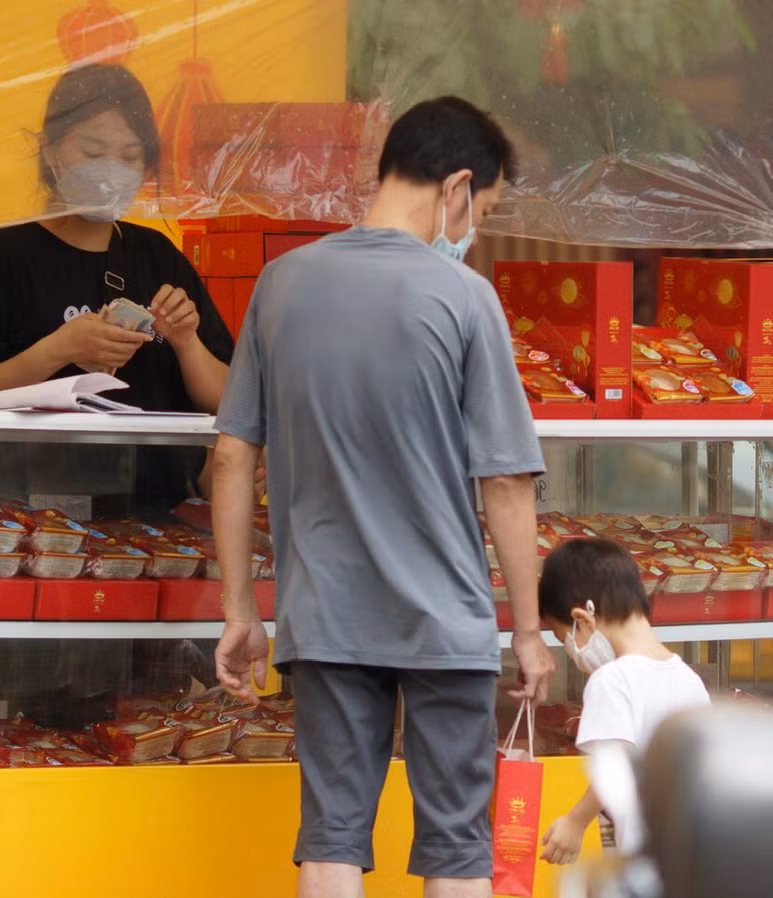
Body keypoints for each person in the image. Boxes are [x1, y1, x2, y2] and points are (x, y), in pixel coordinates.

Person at [210, 96, 556, 898]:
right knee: (457, 848)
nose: (474, 230)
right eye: (486, 210)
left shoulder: (282, 283)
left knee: (330, 839)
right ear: (458, 185)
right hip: (446, 622)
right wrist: (530, 632)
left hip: (324, 617)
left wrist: (239, 609)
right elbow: (503, 480)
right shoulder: (466, 298)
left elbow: (232, 457)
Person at [0, 63, 234, 724]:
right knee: (40, 710)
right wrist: (60, 350)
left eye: (130, 157)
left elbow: (227, 399)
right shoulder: (2, 255)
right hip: (42, 534)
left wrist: (184, 339)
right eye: (93, 152)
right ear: (51, 153)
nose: (112, 170)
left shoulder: (158, 257)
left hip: (159, 537)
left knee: (156, 718)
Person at [537, 538, 711, 865]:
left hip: (644, 857)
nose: (573, 655)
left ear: (584, 619)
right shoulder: (689, 678)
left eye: (566, 640)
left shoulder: (611, 680)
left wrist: (575, 822)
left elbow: (613, 767)